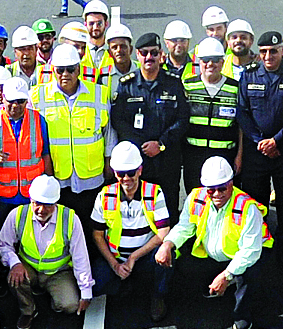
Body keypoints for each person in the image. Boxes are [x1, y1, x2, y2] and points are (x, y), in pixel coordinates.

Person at [155, 155, 269, 329]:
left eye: (222, 188)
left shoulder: (247, 208)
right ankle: (214, 282)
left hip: (243, 258)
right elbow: (185, 227)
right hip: (211, 255)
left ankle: (242, 313)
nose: (217, 194)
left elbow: (250, 251)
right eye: (211, 190)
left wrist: (227, 275)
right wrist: (167, 244)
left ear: (231, 183)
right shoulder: (196, 197)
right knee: (183, 265)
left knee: (250, 274)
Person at [88, 141, 174, 320]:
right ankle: (125, 283)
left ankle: (158, 296)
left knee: (165, 254)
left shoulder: (154, 192)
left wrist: (134, 257)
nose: (126, 178)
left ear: (140, 170)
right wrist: (114, 264)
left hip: (144, 257)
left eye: (131, 173)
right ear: (115, 173)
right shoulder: (104, 195)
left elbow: (164, 231)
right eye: (121, 174)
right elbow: (97, 235)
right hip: (115, 258)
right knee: (96, 285)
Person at [237, 29, 283, 244]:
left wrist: (276, 140)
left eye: (274, 52)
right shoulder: (248, 74)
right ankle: (258, 245)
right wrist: (261, 142)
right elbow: (242, 112)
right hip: (256, 152)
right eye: (264, 52)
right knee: (256, 202)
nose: (268, 57)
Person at [0, 174, 93, 329]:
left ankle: (51, 295)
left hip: (58, 272)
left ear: (56, 202)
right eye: (37, 204)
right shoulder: (18, 215)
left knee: (69, 305)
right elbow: (3, 243)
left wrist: (86, 291)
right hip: (29, 268)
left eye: (47, 205)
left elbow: (80, 256)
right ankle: (28, 310)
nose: (41, 210)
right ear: (30, 200)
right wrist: (15, 263)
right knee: (15, 278)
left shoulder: (70, 219)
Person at [34, 43, 111, 225]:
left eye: (70, 69)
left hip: (91, 178)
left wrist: (109, 163)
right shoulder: (38, 96)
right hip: (58, 177)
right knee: (63, 227)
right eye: (60, 70)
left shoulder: (99, 93)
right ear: (53, 70)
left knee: (92, 227)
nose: (65, 75)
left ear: (79, 70)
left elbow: (109, 134)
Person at [112, 31, 188, 200]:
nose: (149, 57)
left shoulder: (174, 83)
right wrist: (141, 145)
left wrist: (160, 144)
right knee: (141, 211)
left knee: (169, 211)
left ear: (161, 55)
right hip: (138, 162)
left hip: (167, 159)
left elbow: (182, 119)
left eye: (154, 53)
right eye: (144, 53)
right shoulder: (126, 85)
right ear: (137, 55)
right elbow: (118, 121)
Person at [0, 74, 49, 234]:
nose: (15, 105)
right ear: (3, 99)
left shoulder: (38, 120)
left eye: (20, 101)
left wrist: (49, 186)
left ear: (27, 101)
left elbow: (45, 155)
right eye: (11, 101)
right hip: (2, 197)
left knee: (30, 240)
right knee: (1, 240)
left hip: (32, 196)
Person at [182, 37, 241, 192]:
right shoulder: (188, 86)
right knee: (195, 198)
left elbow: (241, 125)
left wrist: (239, 155)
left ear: (222, 62)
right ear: (199, 62)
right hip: (194, 154)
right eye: (205, 60)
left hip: (225, 154)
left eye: (215, 60)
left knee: (223, 197)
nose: (210, 64)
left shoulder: (235, 88)